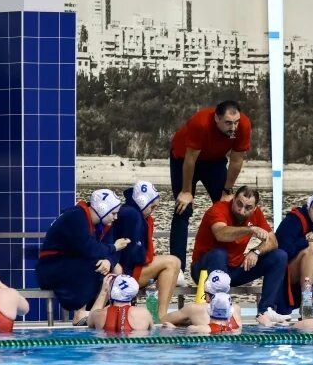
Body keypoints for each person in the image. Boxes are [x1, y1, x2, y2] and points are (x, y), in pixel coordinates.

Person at [170, 100, 252, 284]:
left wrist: (227, 190)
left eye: (236, 122)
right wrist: (186, 191)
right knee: (183, 207)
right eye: (228, 123)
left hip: (214, 161)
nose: (233, 127)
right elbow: (191, 159)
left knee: (227, 206)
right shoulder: (201, 123)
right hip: (184, 159)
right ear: (217, 118)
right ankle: (177, 268)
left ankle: (227, 261)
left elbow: (237, 160)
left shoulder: (243, 126)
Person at [190, 185, 288, 326]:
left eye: (248, 208)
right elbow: (221, 233)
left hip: (233, 269)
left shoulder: (256, 214)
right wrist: (250, 230)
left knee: (279, 256)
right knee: (219, 253)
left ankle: (266, 310)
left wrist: (255, 251)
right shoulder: (218, 209)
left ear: (254, 208)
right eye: (239, 204)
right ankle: (218, 307)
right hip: (204, 270)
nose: (242, 211)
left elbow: (272, 241)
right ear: (233, 199)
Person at [36, 189, 130, 326]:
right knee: (93, 262)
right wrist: (113, 248)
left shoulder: (102, 224)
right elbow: (89, 249)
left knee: (115, 269)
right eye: (113, 213)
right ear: (103, 209)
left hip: (69, 265)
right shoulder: (76, 217)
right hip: (50, 269)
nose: (115, 218)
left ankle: (98, 314)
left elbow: (108, 250)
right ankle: (80, 313)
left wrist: (108, 261)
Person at [112, 180, 180, 322]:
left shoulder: (131, 212)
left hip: (123, 269)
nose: (153, 210)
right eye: (153, 207)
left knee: (172, 265)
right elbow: (138, 257)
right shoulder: (133, 216)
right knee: (172, 262)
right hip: (124, 273)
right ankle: (161, 317)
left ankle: (162, 316)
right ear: (143, 202)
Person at [163, 270, 241, 329]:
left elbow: (164, 320)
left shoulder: (193, 309)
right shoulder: (236, 308)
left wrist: (178, 327)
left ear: (206, 288)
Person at [88, 274, 153, 333]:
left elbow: (89, 324)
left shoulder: (98, 315)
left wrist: (103, 291)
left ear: (113, 291)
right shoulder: (144, 314)